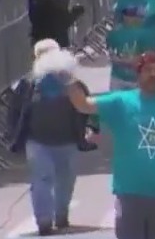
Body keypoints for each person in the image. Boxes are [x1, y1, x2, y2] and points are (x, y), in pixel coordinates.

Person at [66, 52, 155, 239]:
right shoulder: (120, 101)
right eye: (148, 70)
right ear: (138, 75)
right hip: (129, 195)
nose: (153, 74)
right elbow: (83, 105)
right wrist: (68, 78)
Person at [7, 40, 93, 235]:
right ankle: (44, 221)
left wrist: (89, 128)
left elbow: (89, 107)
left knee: (66, 180)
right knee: (42, 178)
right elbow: (15, 111)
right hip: (37, 142)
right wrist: (13, 135)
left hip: (68, 140)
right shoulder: (28, 84)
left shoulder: (72, 83)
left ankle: (61, 215)